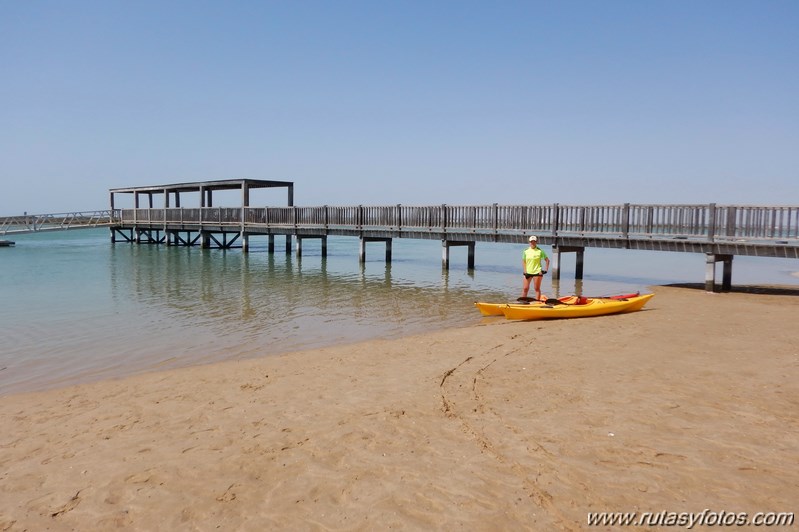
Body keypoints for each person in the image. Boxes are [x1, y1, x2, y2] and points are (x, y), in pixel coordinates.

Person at [521, 235, 550, 301]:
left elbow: (547, 260)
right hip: (528, 272)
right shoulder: (526, 251)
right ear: (529, 242)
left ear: (536, 242)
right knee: (525, 288)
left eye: (534, 241)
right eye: (531, 241)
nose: (533, 243)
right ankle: (522, 302)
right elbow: (523, 261)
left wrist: (545, 270)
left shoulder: (540, 251)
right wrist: (525, 271)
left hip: (537, 272)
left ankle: (537, 303)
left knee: (536, 288)